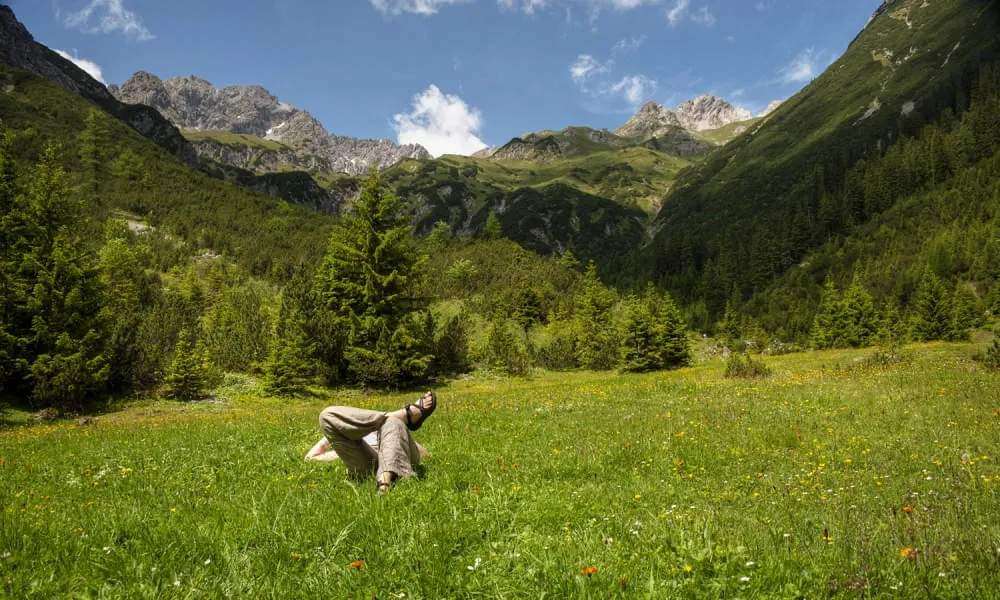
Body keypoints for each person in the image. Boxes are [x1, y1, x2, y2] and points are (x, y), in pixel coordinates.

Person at [307, 390, 438, 494]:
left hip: (399, 453)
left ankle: (384, 482)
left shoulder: (394, 427)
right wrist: (331, 435)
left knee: (393, 422)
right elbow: (310, 458)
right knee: (326, 415)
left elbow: (424, 454)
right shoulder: (349, 445)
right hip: (369, 460)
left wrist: (394, 439)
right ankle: (403, 415)